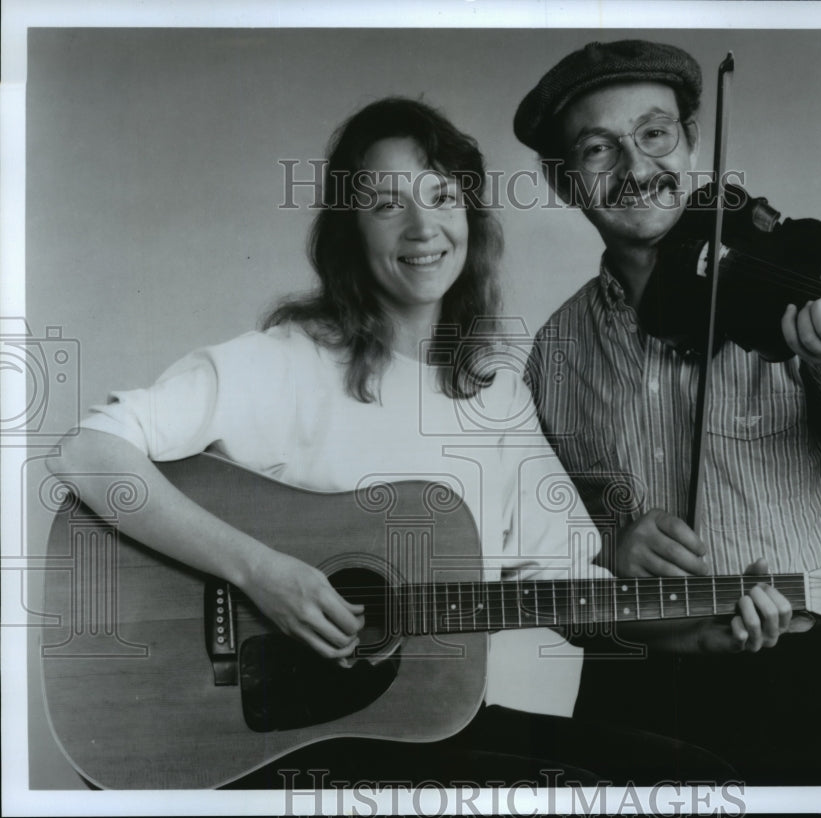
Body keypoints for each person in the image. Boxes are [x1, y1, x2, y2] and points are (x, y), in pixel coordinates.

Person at [46, 97, 738, 788]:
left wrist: (703, 627)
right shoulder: (284, 362)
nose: (423, 227)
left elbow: (564, 587)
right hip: (284, 737)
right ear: (349, 229)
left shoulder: (493, 395)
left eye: (442, 196)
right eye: (385, 204)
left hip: (421, 725)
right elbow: (86, 453)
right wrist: (260, 573)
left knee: (689, 778)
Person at [513, 40, 821, 785]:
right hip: (628, 680)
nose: (634, 167)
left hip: (793, 680)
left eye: (653, 134)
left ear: (687, 141)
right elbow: (542, 553)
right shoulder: (554, 351)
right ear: (564, 182)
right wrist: (609, 545)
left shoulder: (783, 291)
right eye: (597, 149)